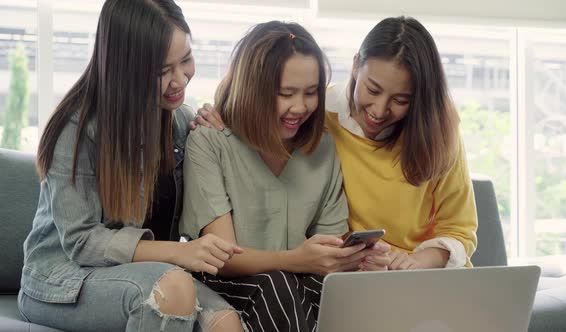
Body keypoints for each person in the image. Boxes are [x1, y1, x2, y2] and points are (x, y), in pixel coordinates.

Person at [18, 1, 244, 331]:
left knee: (226, 322)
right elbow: (83, 242)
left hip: (156, 274)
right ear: (124, 69)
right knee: (171, 291)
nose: (180, 80)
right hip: (63, 280)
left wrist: (216, 136)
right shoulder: (77, 128)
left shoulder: (180, 122)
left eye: (186, 60)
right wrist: (180, 254)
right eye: (161, 71)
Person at [193, 16, 478, 272]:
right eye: (372, 89)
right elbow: (258, 101)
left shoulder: (439, 131)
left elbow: (459, 230)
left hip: (427, 273)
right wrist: (217, 112)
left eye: (401, 100)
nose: (379, 110)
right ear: (355, 66)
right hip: (357, 271)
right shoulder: (317, 115)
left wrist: (417, 262)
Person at [179, 21, 379, 332]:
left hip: (292, 284)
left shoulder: (323, 148)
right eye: (286, 93)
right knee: (278, 285)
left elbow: (328, 249)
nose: (300, 107)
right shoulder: (211, 140)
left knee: (338, 293)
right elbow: (223, 258)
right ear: (253, 88)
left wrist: (354, 257)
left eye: (311, 93)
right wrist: (294, 259)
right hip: (224, 283)